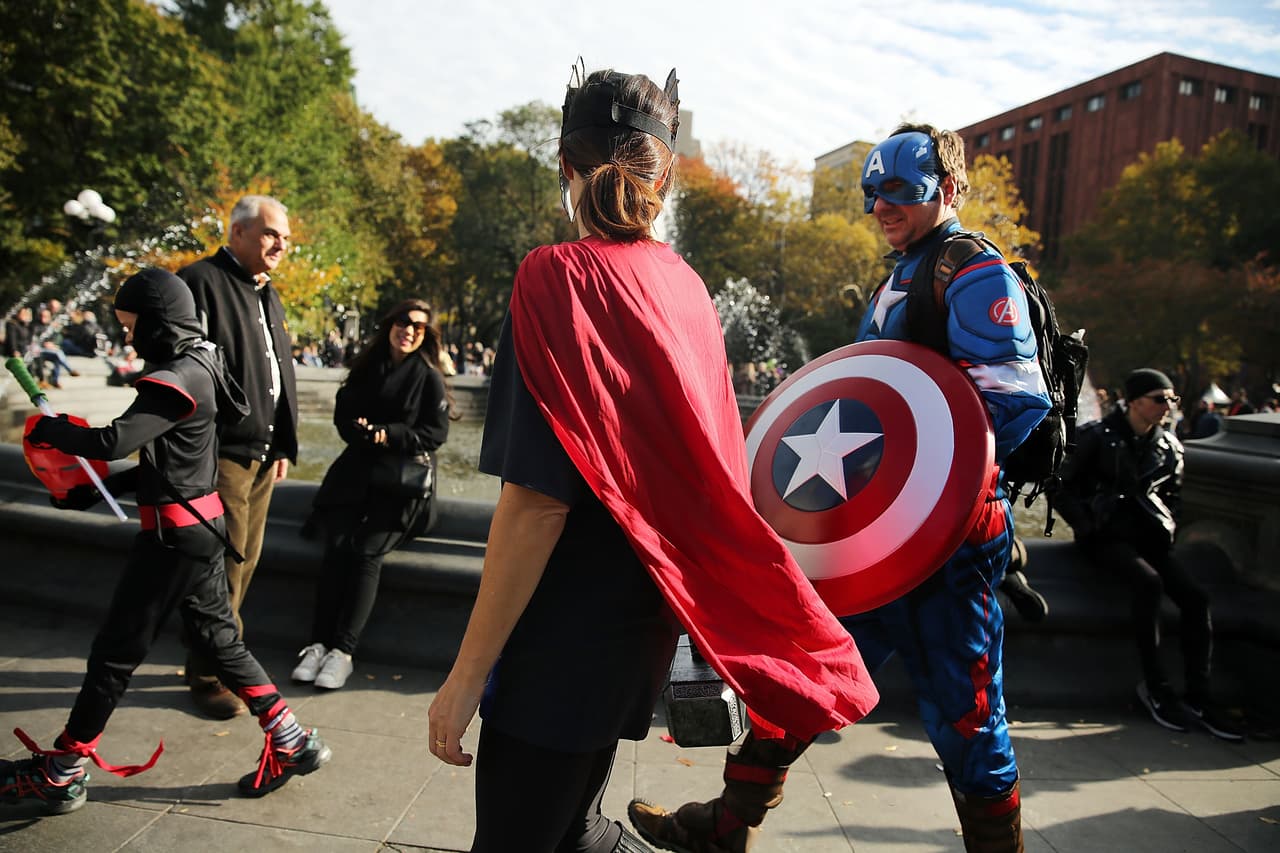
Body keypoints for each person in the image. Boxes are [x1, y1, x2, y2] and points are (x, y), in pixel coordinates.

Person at [427, 65, 878, 853]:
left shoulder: (552, 277)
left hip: (560, 635)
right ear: (664, 173)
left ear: (563, 164)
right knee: (575, 829)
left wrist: (465, 676)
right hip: (640, 622)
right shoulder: (689, 287)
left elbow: (536, 503)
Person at [634, 124, 1051, 853]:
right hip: (875, 540)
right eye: (872, 192)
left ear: (947, 190)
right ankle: (724, 826)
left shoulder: (975, 272)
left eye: (901, 190)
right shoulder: (904, 272)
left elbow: (1011, 403)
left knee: (970, 715)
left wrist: (926, 496)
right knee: (799, 678)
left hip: (947, 550)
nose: (880, 205)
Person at [1, 269, 329, 817]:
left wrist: (48, 427)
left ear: (158, 321)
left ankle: (62, 772)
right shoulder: (203, 361)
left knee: (114, 655)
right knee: (222, 643)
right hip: (197, 528)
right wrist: (94, 491)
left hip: (173, 540)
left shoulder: (179, 374)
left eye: (133, 327)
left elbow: (115, 441)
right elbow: (172, 463)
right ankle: (293, 739)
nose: (129, 339)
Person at [1054, 368, 1242, 741]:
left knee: (1196, 598)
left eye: (1171, 399)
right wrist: (1087, 526)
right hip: (1105, 540)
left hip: (1149, 541)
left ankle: (1199, 696)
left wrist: (1168, 526)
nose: (1167, 406)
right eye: (1160, 398)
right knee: (1149, 584)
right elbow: (1058, 485)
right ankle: (1157, 688)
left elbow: (1173, 496)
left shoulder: (1169, 445)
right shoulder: (1096, 437)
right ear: (1134, 400)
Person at [178, 195, 299, 719]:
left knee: (243, 563)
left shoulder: (265, 291)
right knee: (223, 567)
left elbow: (276, 369)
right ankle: (210, 674)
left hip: (262, 452)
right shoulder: (200, 281)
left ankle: (218, 660)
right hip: (222, 451)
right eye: (272, 234)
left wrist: (283, 442)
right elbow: (187, 365)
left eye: (286, 239)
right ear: (239, 232)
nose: (281, 246)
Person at [293, 299, 452, 690]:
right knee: (337, 549)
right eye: (403, 321)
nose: (409, 330)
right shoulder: (366, 367)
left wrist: (389, 433)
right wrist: (361, 430)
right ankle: (317, 645)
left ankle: (342, 652)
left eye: (419, 326)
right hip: (356, 476)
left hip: (401, 487)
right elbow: (342, 417)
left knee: (367, 554)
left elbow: (436, 435)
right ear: (389, 325)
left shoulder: (427, 377)